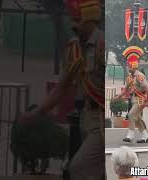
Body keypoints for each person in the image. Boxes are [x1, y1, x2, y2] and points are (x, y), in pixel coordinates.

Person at [18, 0, 104, 179]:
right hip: (86, 118)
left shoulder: (103, 46)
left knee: (80, 168)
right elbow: (60, 89)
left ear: (90, 21)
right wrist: (37, 113)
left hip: (104, 121)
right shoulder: (74, 49)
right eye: (72, 20)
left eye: (77, 21)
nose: (73, 26)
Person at [114, 48, 148, 143]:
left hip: (140, 99)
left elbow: (147, 88)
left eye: (129, 66)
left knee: (130, 114)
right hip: (134, 98)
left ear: (134, 67)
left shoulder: (140, 76)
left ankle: (130, 136)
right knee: (137, 118)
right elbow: (126, 88)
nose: (128, 67)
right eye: (128, 66)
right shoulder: (130, 77)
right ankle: (145, 136)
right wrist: (119, 96)